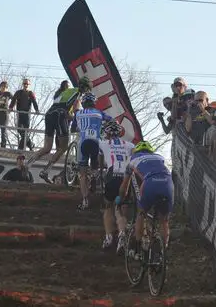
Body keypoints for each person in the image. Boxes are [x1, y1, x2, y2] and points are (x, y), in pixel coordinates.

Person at [118, 141, 173, 258]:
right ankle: (163, 252)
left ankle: (138, 248)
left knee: (141, 213)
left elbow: (124, 187)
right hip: (168, 183)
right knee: (164, 220)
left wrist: (120, 198)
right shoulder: (160, 157)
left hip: (150, 183)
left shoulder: (133, 159)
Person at [33, 77, 87, 183]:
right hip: (60, 116)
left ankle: (27, 164)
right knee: (63, 147)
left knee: (47, 147)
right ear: (85, 89)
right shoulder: (78, 94)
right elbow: (73, 112)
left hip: (49, 114)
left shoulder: (66, 91)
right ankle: (45, 171)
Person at [72, 92, 115, 211]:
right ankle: (96, 174)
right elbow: (113, 121)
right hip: (97, 141)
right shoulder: (99, 113)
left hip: (83, 142)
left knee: (82, 174)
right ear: (94, 103)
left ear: (84, 103)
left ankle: (85, 199)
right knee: (98, 164)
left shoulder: (78, 113)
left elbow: (73, 128)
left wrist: (79, 126)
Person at [100, 120, 133, 252]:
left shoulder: (103, 143)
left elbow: (100, 163)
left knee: (108, 207)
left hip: (111, 174)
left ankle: (108, 237)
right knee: (120, 209)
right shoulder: (130, 145)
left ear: (107, 134)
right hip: (126, 177)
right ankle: (122, 235)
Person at [10, 78, 39, 151]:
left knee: (25, 131)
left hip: (27, 114)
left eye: (27, 84)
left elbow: (34, 101)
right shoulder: (18, 92)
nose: (25, 85)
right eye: (24, 84)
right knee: (20, 130)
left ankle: (20, 148)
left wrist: (37, 110)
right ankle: (30, 144)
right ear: (22, 84)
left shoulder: (30, 93)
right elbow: (13, 99)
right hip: (20, 113)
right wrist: (10, 107)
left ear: (29, 85)